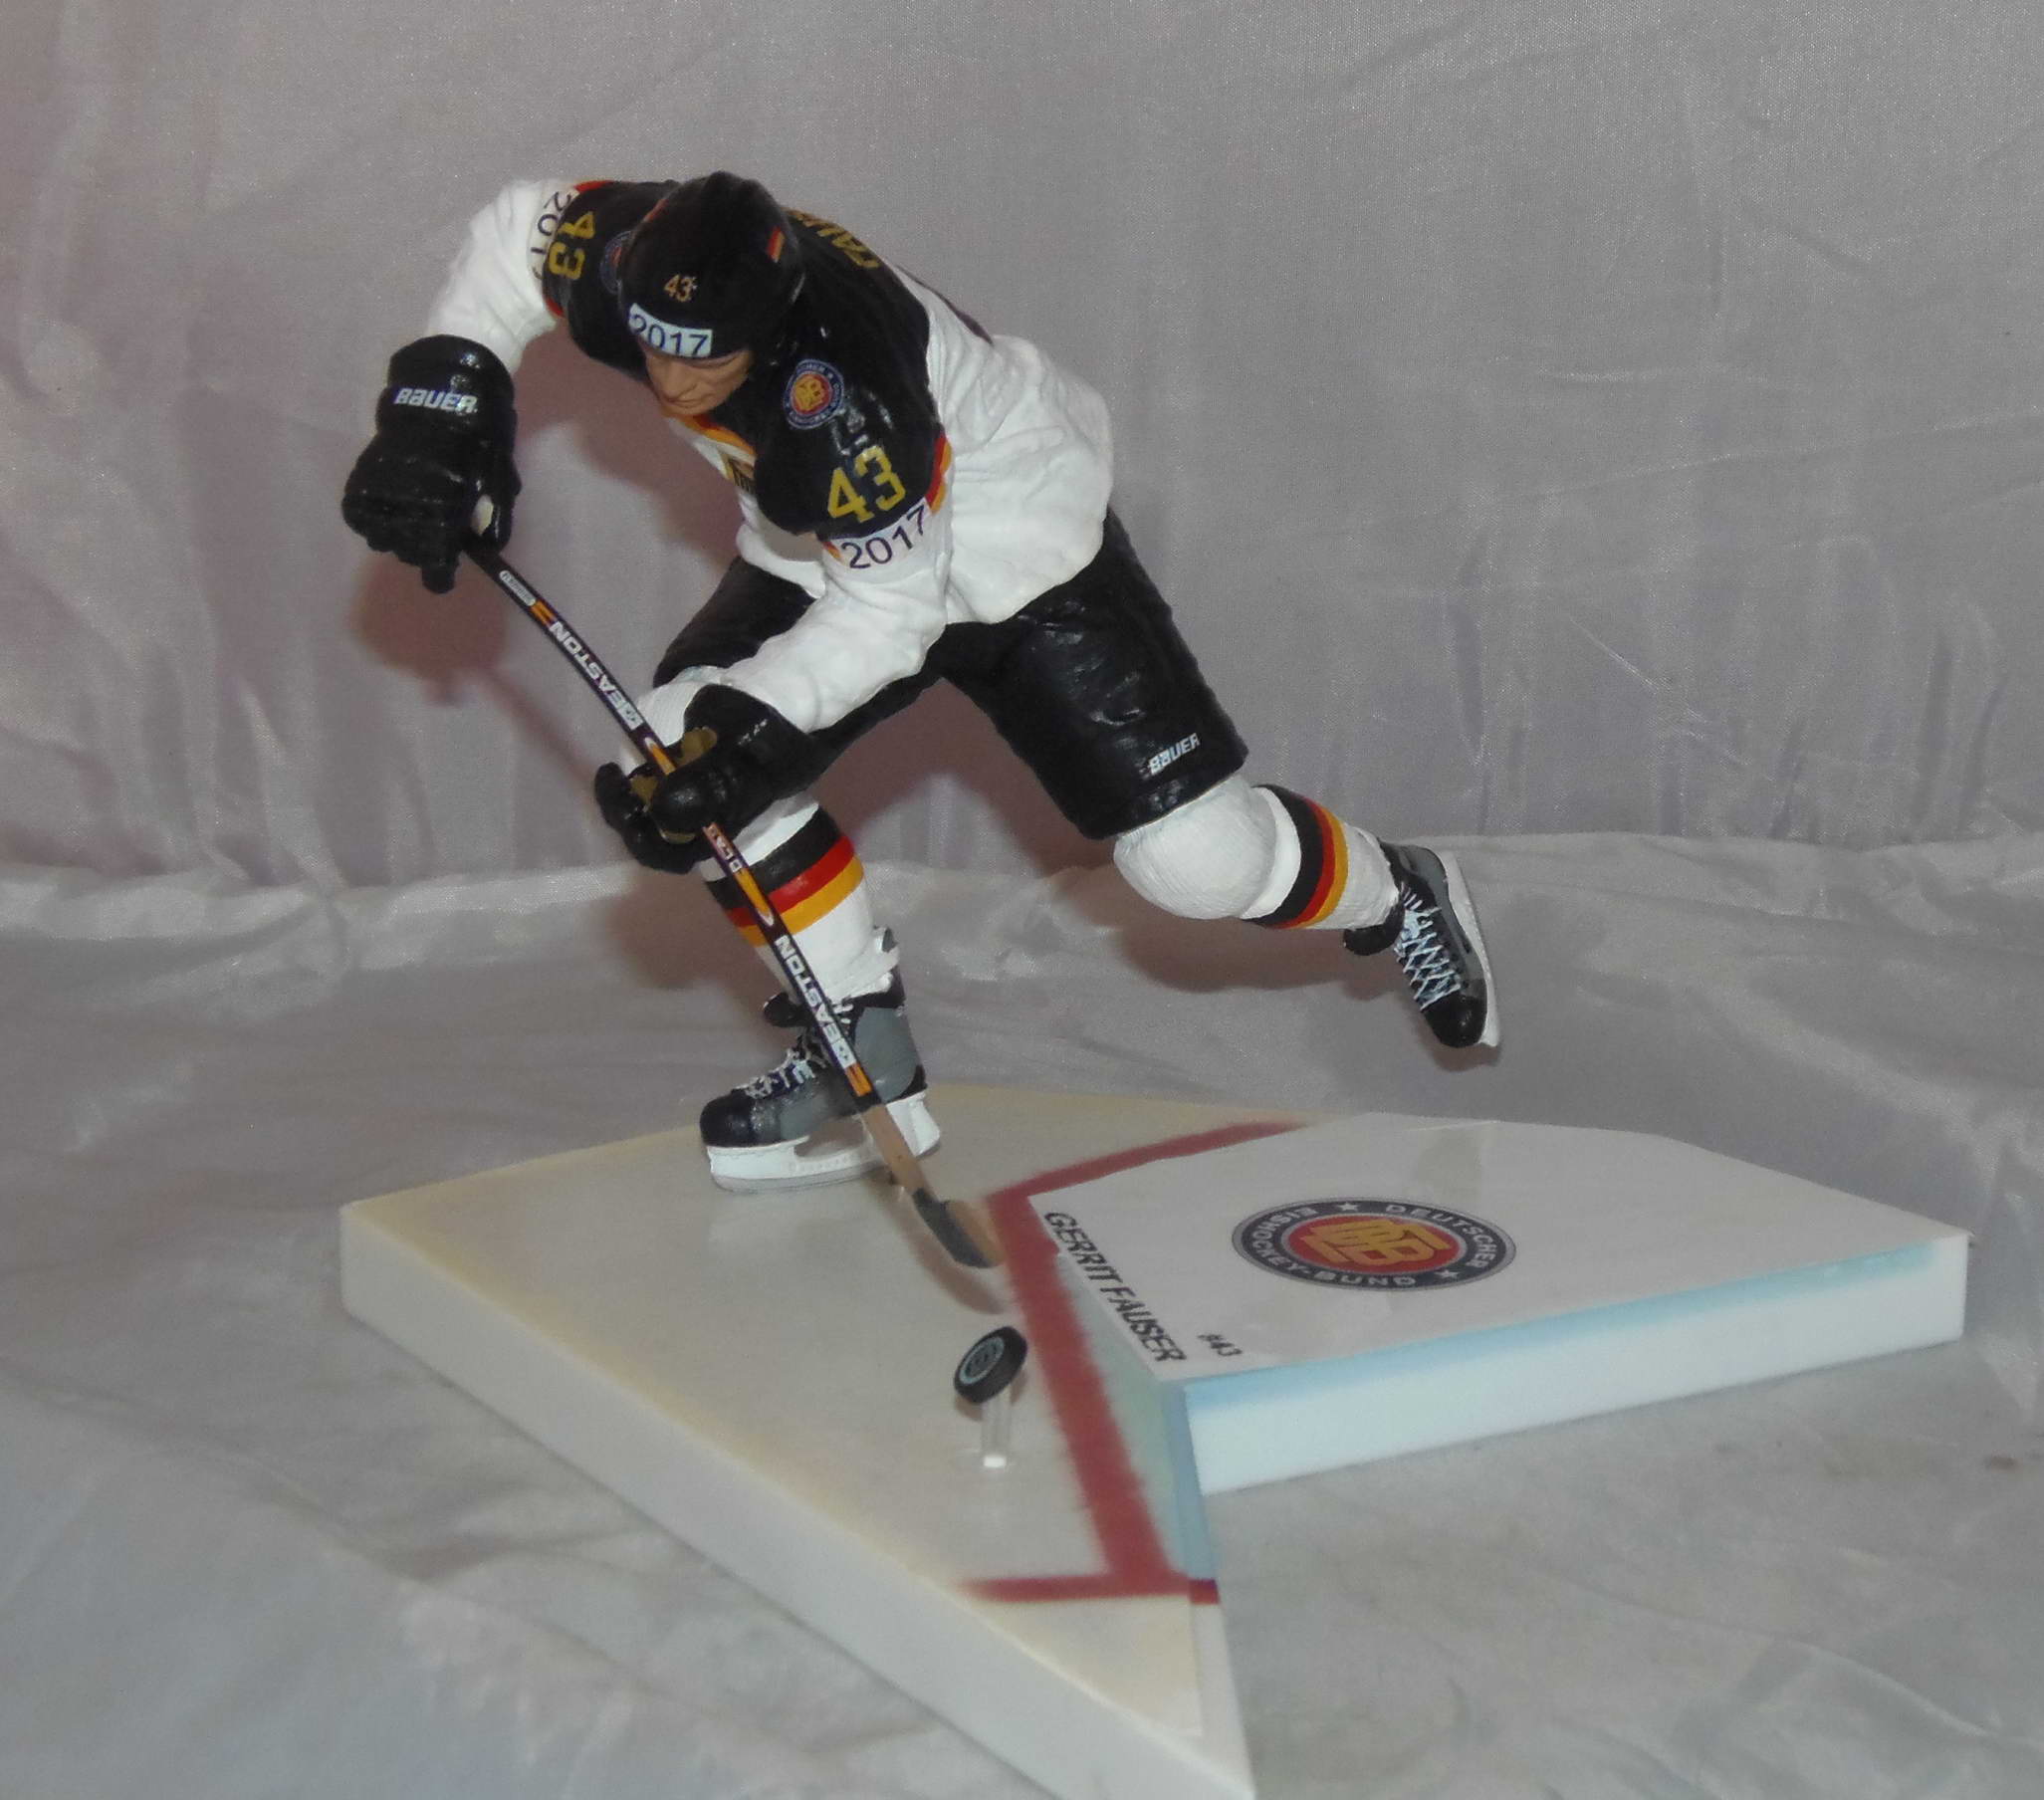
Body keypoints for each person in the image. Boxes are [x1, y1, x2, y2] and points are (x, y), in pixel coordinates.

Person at [341, 171, 1498, 1193]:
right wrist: (441, 406)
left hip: (1013, 554)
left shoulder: (841, 396)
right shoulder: (624, 253)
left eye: (709, 356)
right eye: (654, 345)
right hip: (826, 552)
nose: (675, 380)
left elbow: (893, 614)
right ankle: (860, 1042)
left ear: (774, 328)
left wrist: (750, 737)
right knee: (676, 757)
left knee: (1197, 865)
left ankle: (1394, 892)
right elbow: (513, 235)